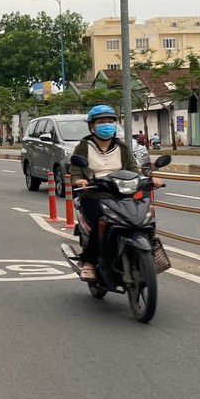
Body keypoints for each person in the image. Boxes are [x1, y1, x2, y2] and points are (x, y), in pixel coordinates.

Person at [68, 104, 160, 281]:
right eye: (101, 122)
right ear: (92, 126)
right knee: (101, 221)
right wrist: (80, 181)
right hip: (94, 195)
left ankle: (150, 249)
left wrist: (147, 180)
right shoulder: (84, 146)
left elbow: (134, 169)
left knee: (144, 217)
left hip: (122, 194)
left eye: (110, 121)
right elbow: (76, 169)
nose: (106, 125)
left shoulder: (123, 147)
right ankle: (89, 262)